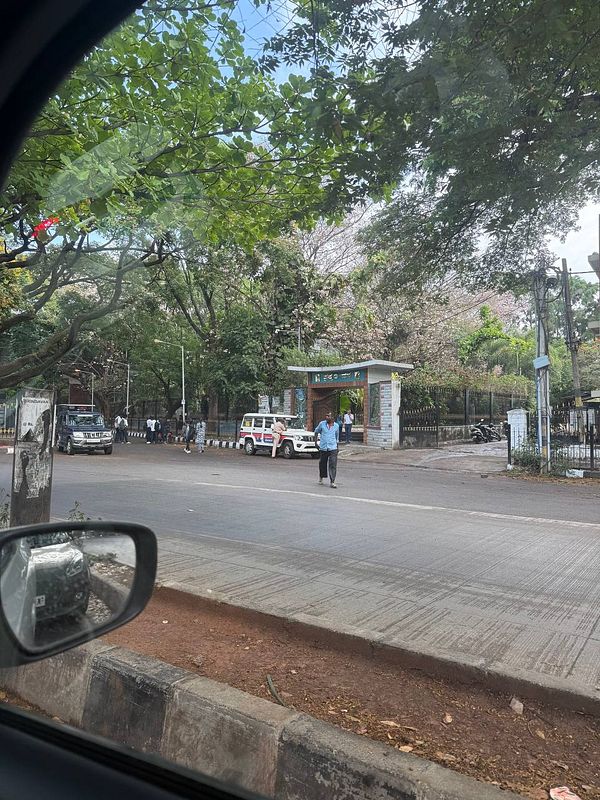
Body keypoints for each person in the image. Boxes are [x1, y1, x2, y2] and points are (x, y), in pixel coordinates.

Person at [314, 412, 339, 488]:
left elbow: (337, 437)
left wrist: (337, 447)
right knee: (322, 463)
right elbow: (316, 432)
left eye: (328, 416)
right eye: (326, 415)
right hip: (323, 447)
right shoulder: (322, 424)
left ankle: (332, 481)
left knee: (333, 464)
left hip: (333, 448)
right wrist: (315, 443)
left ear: (332, 418)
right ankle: (321, 477)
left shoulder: (336, 426)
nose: (326, 417)